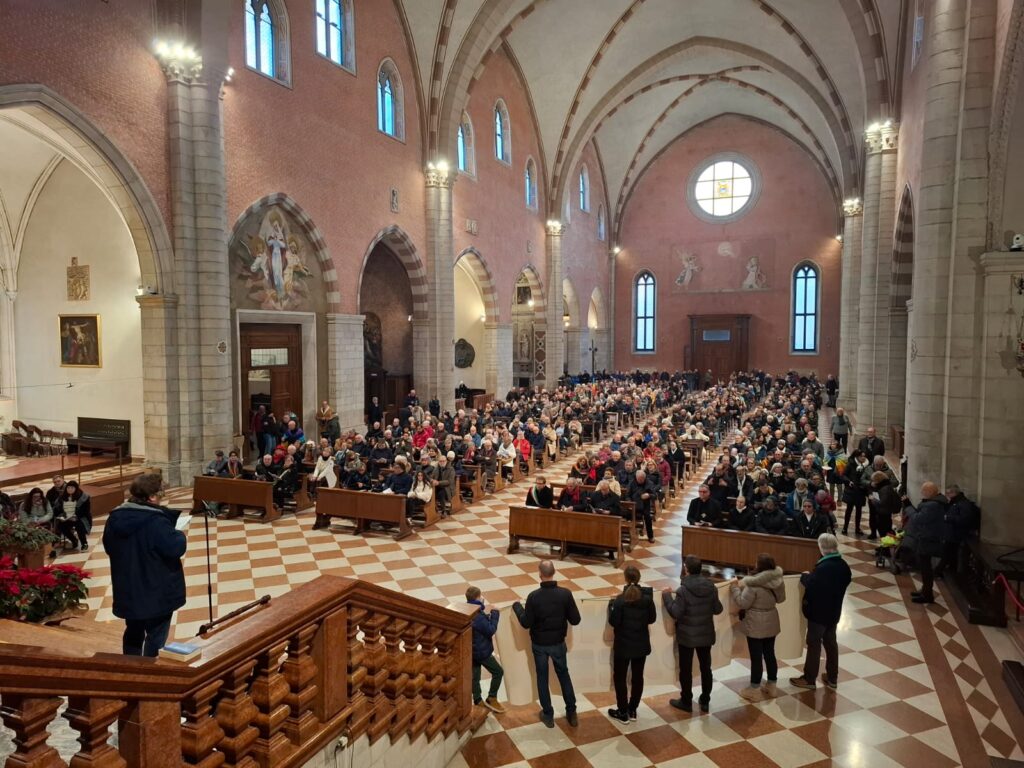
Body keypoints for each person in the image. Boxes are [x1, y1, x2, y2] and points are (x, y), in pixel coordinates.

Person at [102, 474, 186, 657]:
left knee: (133, 632)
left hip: (128, 588)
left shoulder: (115, 518)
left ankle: (131, 670)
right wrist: (179, 534)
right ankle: (150, 672)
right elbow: (175, 548)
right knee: (156, 635)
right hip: (157, 590)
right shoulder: (156, 521)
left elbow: (109, 547)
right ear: (153, 496)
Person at [512, 560, 581, 728]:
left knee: (542, 678)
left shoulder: (534, 597)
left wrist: (517, 607)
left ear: (540, 574)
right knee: (564, 675)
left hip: (540, 645)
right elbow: (576, 619)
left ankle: (548, 715)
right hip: (558, 642)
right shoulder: (565, 594)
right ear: (554, 572)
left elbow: (526, 623)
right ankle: (571, 712)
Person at [791, 533, 851, 690]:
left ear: (822, 548)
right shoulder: (844, 566)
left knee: (814, 645)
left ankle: (809, 678)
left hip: (818, 614)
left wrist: (805, 577)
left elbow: (812, 585)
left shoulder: (823, 568)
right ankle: (832, 678)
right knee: (831, 644)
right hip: (834, 612)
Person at [663, 555, 723, 713]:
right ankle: (705, 700)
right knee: (706, 668)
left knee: (686, 669)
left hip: (687, 636)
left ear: (686, 569)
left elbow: (675, 612)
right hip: (705, 634)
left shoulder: (683, 590)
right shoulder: (711, 587)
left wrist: (667, 596)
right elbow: (718, 609)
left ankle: (686, 700)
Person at [731, 553, 785, 702]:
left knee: (756, 657)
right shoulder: (778, 580)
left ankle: (754, 689)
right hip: (772, 619)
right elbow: (781, 599)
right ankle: (772, 685)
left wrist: (735, 588)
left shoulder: (753, 583)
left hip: (755, 623)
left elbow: (743, 603)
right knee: (770, 653)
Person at [607, 565, 657, 722]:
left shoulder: (621, 601)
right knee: (637, 677)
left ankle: (622, 711)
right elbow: (652, 619)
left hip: (623, 646)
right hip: (641, 645)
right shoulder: (647, 599)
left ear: (625, 579)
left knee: (620, 678)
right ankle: (633, 709)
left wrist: (611, 605)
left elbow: (614, 622)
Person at [901, 482, 949, 604]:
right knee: (924, 567)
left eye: (923, 491)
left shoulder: (932, 505)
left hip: (928, 539)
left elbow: (918, 519)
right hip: (928, 537)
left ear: (929, 492)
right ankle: (924, 590)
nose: (921, 493)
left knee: (926, 568)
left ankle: (927, 594)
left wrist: (907, 506)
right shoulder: (936, 502)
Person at [466, 585, 506, 713]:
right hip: (482, 651)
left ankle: (477, 700)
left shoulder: (469, 609)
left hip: (472, 650)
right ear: (478, 597)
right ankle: (492, 697)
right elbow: (490, 630)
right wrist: (495, 614)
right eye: (481, 596)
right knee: (498, 672)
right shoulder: (477, 615)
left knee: (475, 676)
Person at [55, 480, 92, 551]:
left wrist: (75, 516)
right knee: (61, 525)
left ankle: (84, 543)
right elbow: (57, 509)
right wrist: (62, 516)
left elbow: (85, 511)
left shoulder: (83, 497)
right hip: (67, 518)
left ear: (76, 488)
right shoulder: (62, 497)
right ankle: (74, 540)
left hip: (80, 517)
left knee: (79, 525)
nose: (70, 489)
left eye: (72, 488)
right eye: (68, 488)